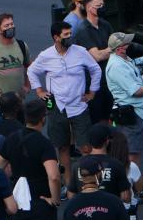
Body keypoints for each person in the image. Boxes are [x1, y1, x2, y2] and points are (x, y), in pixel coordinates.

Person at [28, 20, 101, 173]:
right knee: (62, 147)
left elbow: (95, 69)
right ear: (56, 37)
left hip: (79, 106)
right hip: (57, 106)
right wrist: (39, 91)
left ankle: (88, 180)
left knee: (85, 147)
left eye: (70, 33)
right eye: (66, 34)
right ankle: (68, 185)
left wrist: (92, 92)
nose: (70, 37)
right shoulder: (45, 55)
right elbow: (31, 71)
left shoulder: (80, 51)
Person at [103, 32, 143, 162]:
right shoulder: (117, 66)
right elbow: (136, 91)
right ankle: (130, 180)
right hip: (133, 115)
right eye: (127, 42)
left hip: (139, 112)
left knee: (136, 151)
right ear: (120, 48)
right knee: (131, 155)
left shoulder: (124, 58)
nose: (130, 44)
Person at [72, 0, 113, 121]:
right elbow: (97, 56)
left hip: (109, 81)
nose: (102, 8)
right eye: (98, 6)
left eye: (103, 5)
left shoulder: (105, 25)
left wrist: (110, 50)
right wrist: (114, 48)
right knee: (96, 120)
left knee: (109, 118)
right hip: (93, 85)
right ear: (89, 8)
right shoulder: (82, 30)